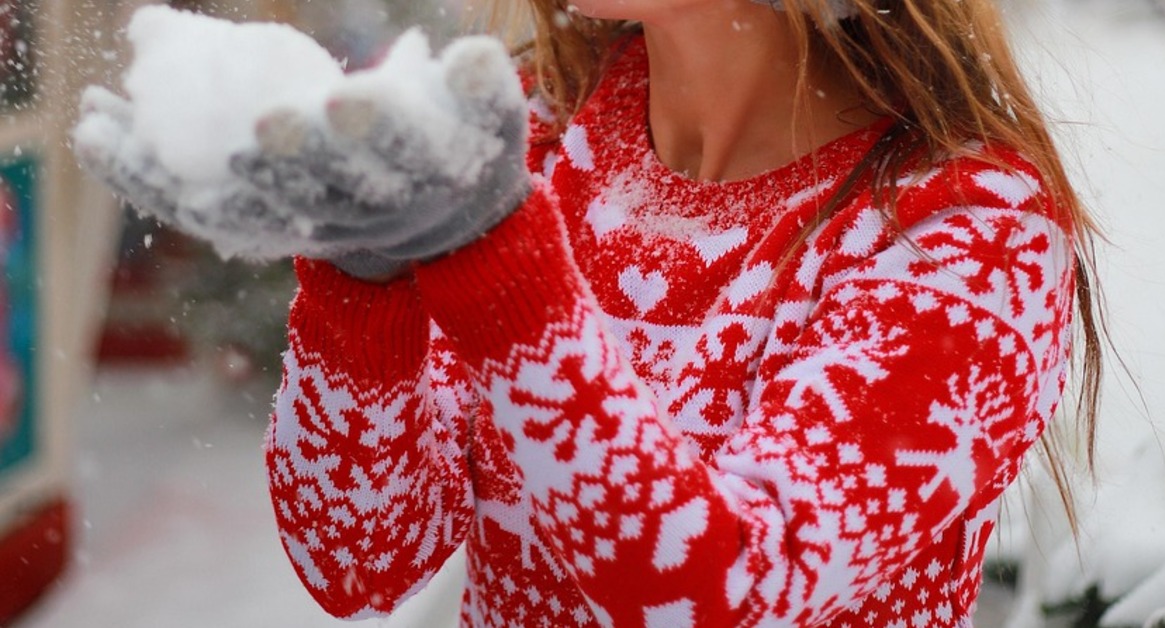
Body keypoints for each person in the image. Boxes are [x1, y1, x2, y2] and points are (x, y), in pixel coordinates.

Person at [74, 0, 1105, 625]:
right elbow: (360, 558)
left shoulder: (966, 230)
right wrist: (362, 278)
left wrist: (497, 268)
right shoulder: (536, 135)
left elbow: (722, 595)